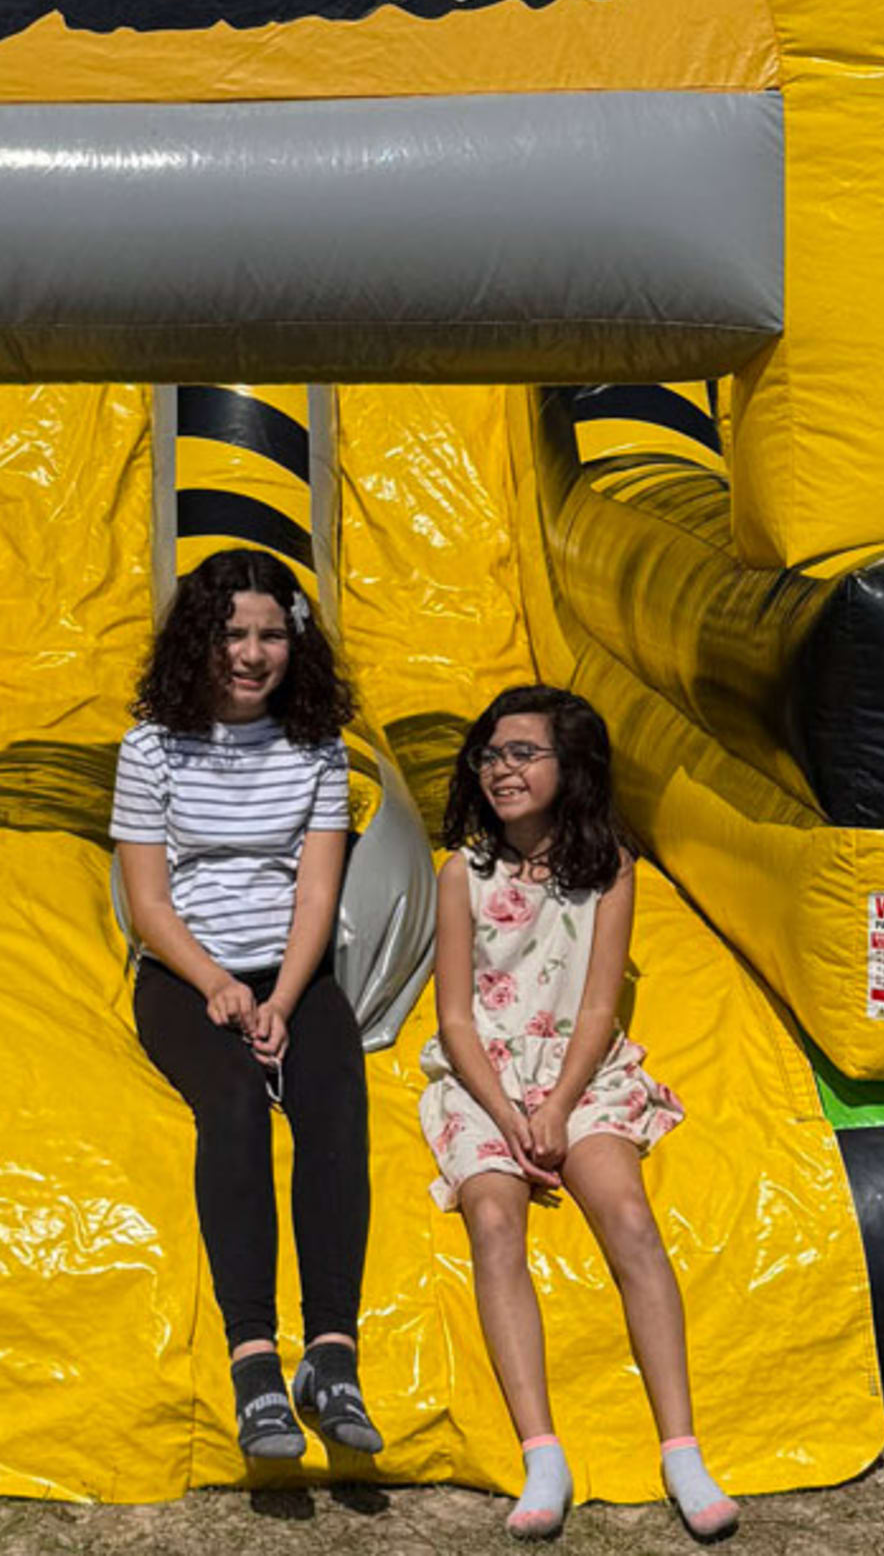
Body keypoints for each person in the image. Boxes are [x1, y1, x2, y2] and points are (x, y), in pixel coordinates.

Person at [419, 685, 731, 1543]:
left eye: (523, 753)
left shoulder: (610, 872)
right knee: (492, 1215)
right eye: (490, 754)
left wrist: (556, 1107)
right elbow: (453, 1016)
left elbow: (596, 1009)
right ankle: (541, 1449)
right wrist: (507, 1112)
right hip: (484, 1073)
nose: (502, 769)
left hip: (577, 1074)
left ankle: (680, 1446)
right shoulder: (463, 874)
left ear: (573, 766)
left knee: (628, 1215)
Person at [113, 546, 385, 1462]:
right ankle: (254, 1361)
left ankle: (333, 1354)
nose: (253, 651)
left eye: (271, 633)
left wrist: (287, 994)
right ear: (201, 638)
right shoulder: (151, 747)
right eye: (234, 632)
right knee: (231, 1107)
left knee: (334, 1102)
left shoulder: (316, 748)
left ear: (295, 644)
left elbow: (316, 893)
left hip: (292, 967)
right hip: (184, 973)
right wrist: (219, 985)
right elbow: (149, 901)